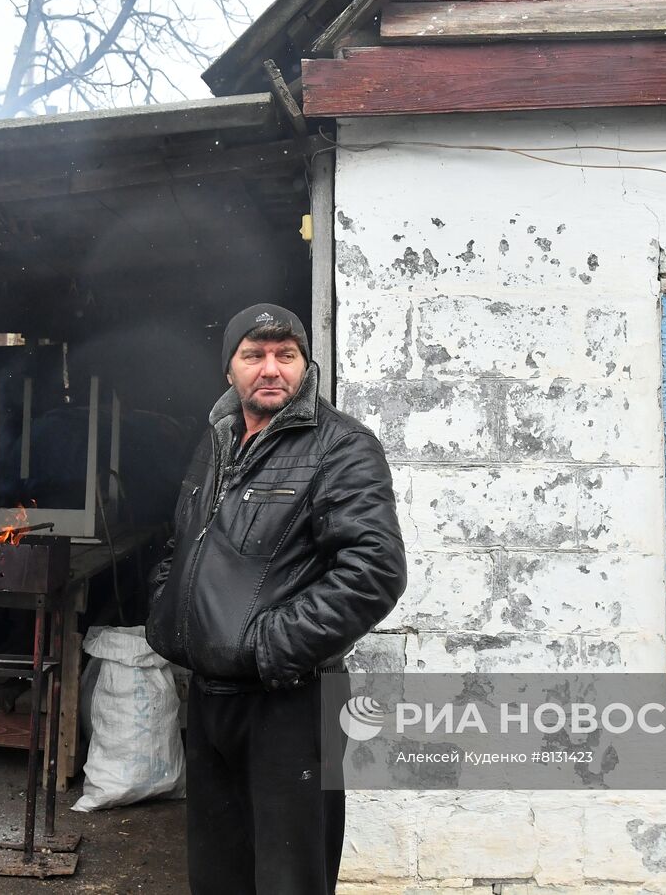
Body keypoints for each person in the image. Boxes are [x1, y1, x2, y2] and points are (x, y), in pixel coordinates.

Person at [146, 303, 407, 895]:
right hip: (211, 700)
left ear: (304, 364)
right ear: (230, 368)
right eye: (254, 355)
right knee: (217, 875)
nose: (271, 369)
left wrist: (268, 646)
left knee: (291, 879)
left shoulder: (341, 446)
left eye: (285, 356)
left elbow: (376, 571)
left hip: (290, 703)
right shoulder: (215, 442)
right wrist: (169, 613)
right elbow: (182, 541)